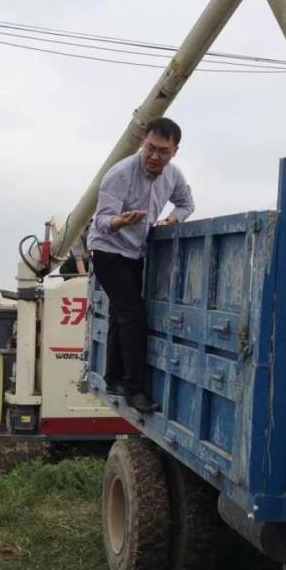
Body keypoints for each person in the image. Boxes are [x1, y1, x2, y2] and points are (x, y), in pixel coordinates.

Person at [87, 117, 195, 413]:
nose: (154, 156)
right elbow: (102, 221)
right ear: (142, 144)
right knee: (133, 316)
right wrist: (123, 220)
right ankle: (135, 389)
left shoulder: (173, 176)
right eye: (150, 148)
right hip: (108, 249)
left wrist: (170, 221)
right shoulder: (120, 173)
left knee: (120, 315)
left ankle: (113, 378)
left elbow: (186, 204)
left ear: (175, 151)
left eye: (162, 151)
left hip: (135, 252)